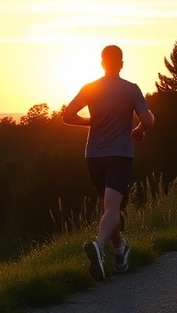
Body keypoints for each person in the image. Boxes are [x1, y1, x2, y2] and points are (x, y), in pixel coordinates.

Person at [62, 44, 155, 282]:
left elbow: (67, 116)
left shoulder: (90, 88)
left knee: (107, 209)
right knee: (112, 208)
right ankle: (99, 246)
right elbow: (148, 119)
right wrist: (139, 129)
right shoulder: (131, 89)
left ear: (102, 63)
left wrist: (91, 122)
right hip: (120, 154)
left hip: (93, 155)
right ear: (121, 64)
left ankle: (120, 251)